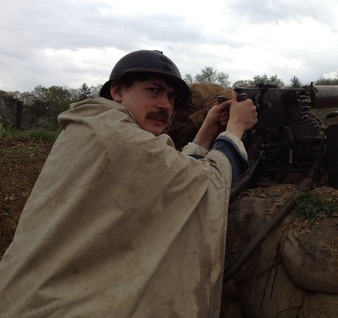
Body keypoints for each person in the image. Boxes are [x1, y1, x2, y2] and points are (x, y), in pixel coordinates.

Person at [0, 50, 257, 317]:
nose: (165, 105)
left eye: (170, 97)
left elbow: (171, 179)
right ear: (117, 91)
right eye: (154, 90)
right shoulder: (122, 139)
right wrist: (236, 128)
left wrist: (206, 133)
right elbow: (209, 184)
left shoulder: (93, 126)